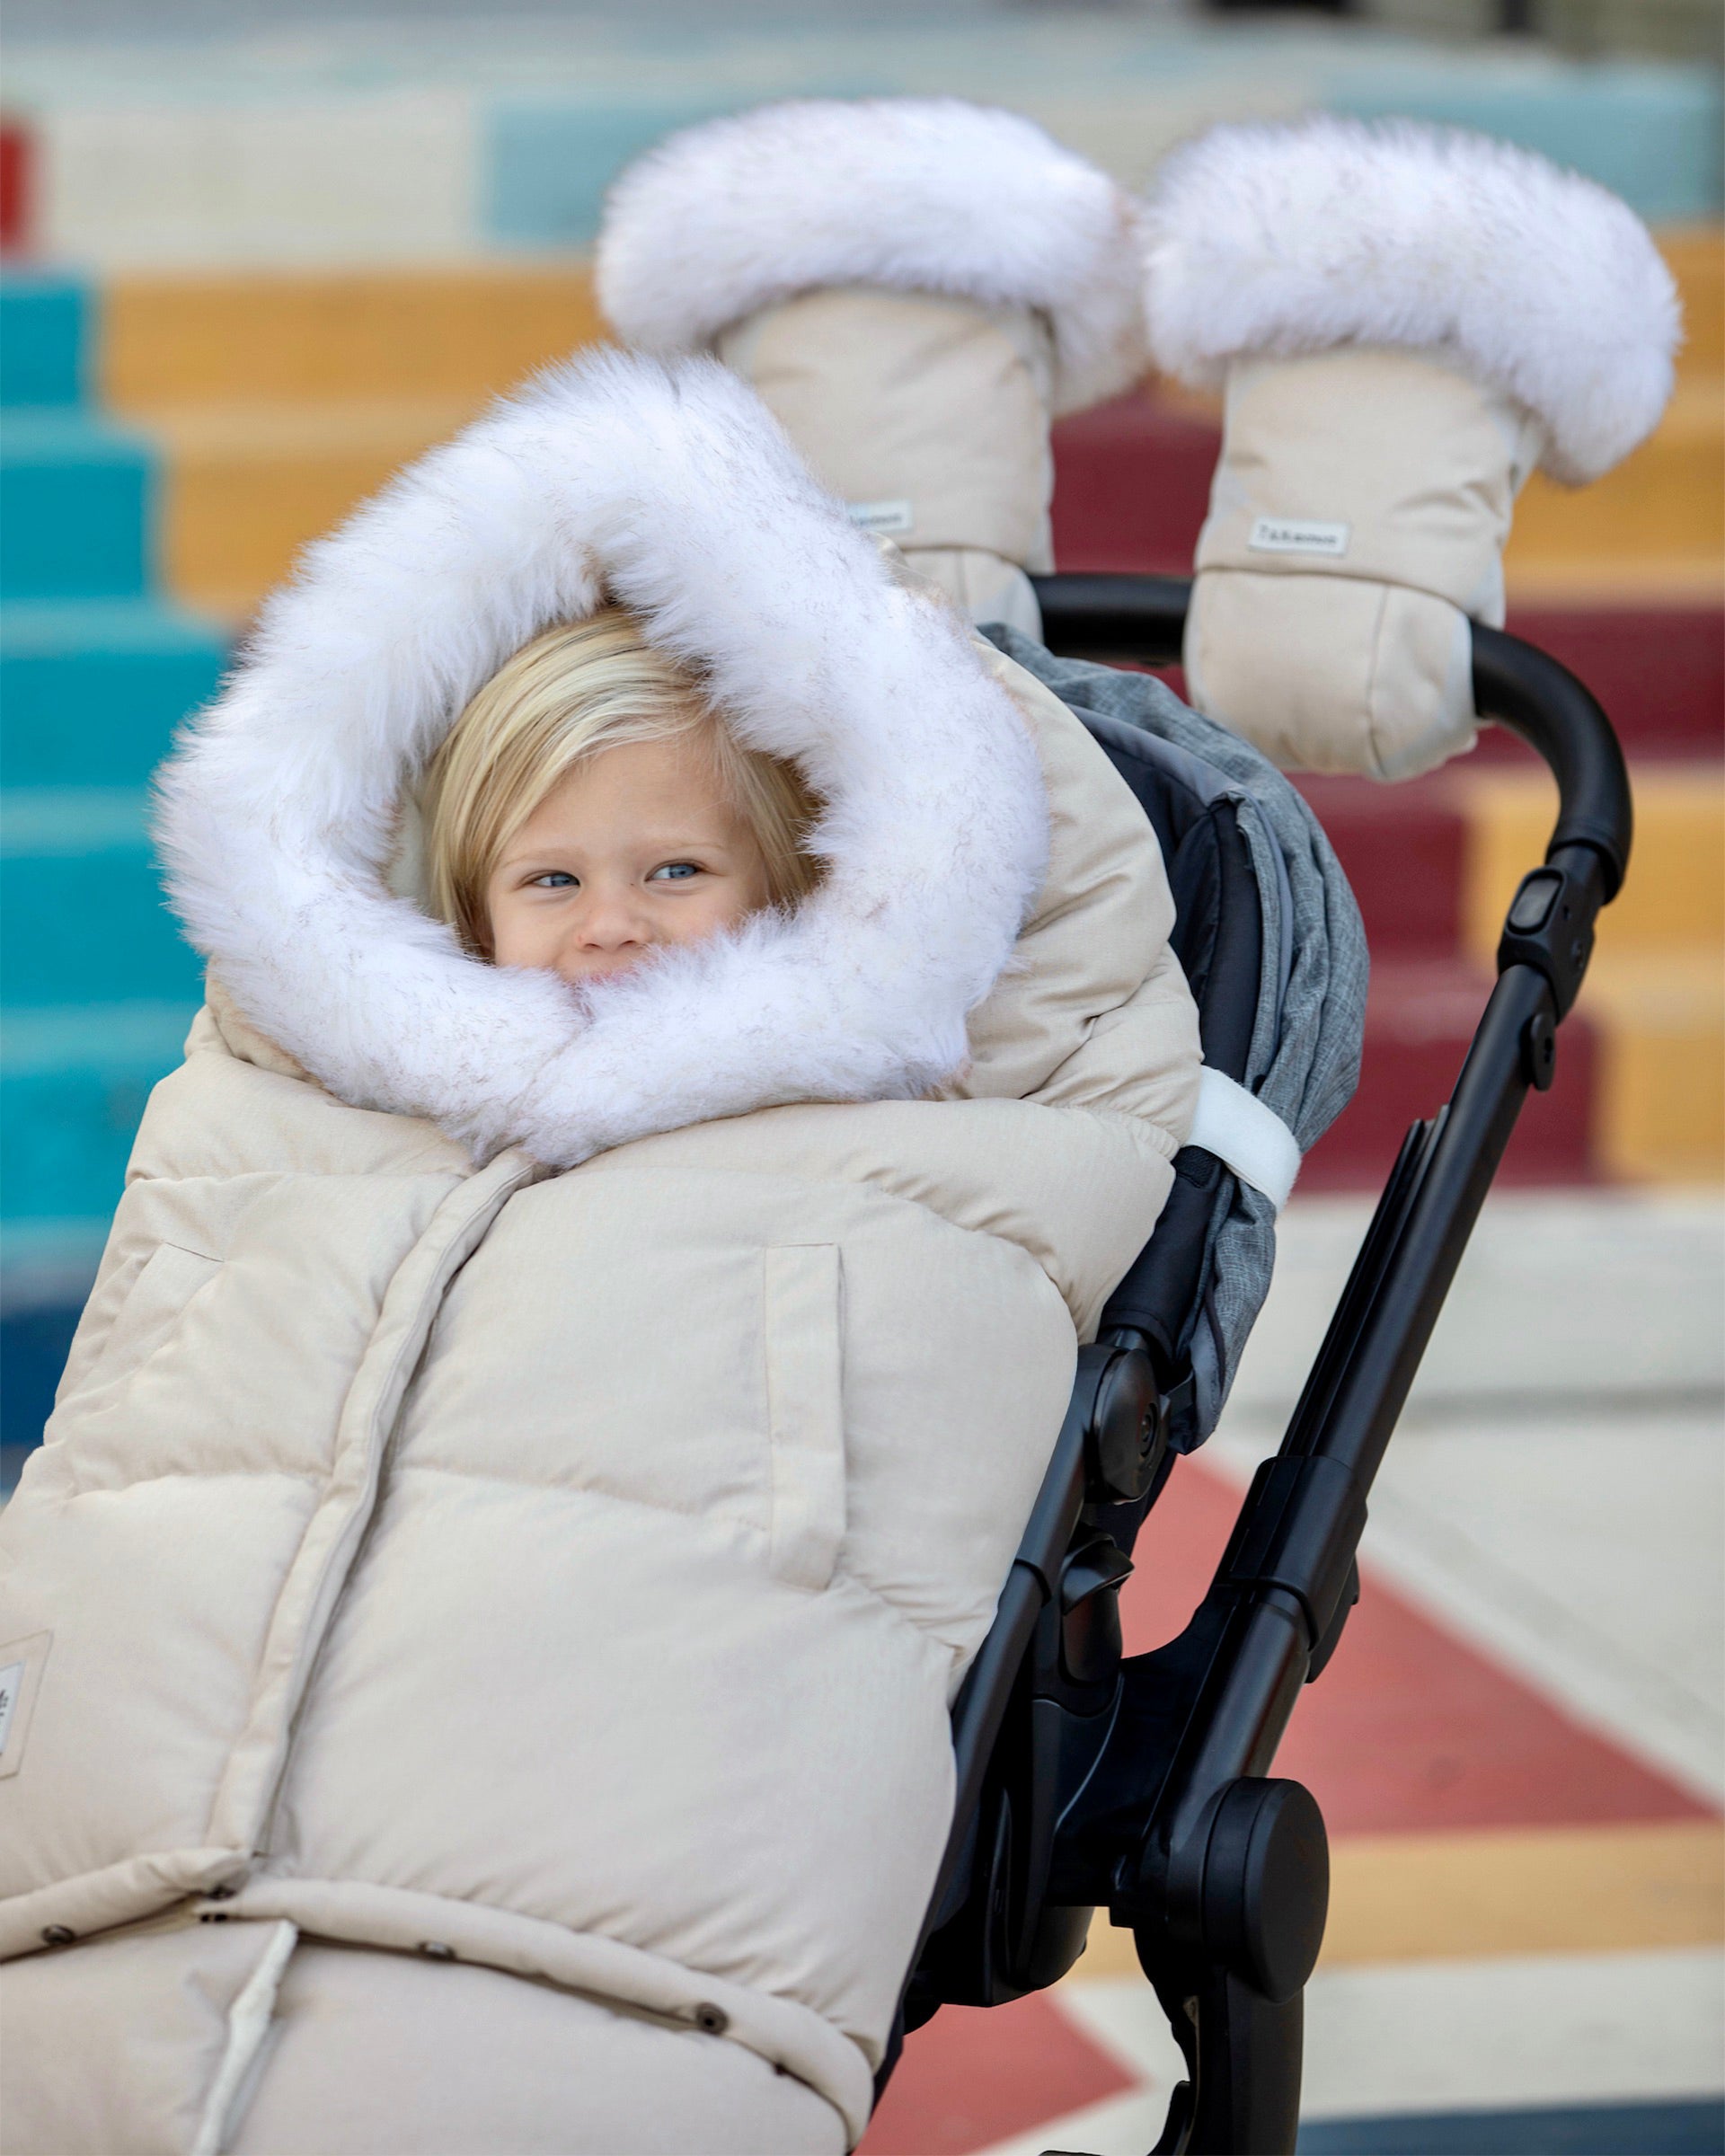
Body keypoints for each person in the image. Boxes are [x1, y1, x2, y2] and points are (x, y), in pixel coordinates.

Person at [0, 351, 1200, 2154]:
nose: (612, 927)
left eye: (676, 875)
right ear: (462, 908)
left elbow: (1064, 982)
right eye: (552, 883)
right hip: (119, 1903)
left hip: (607, 1927)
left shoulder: (899, 1130)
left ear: (802, 890)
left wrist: (849, 642)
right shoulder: (341, 1109)